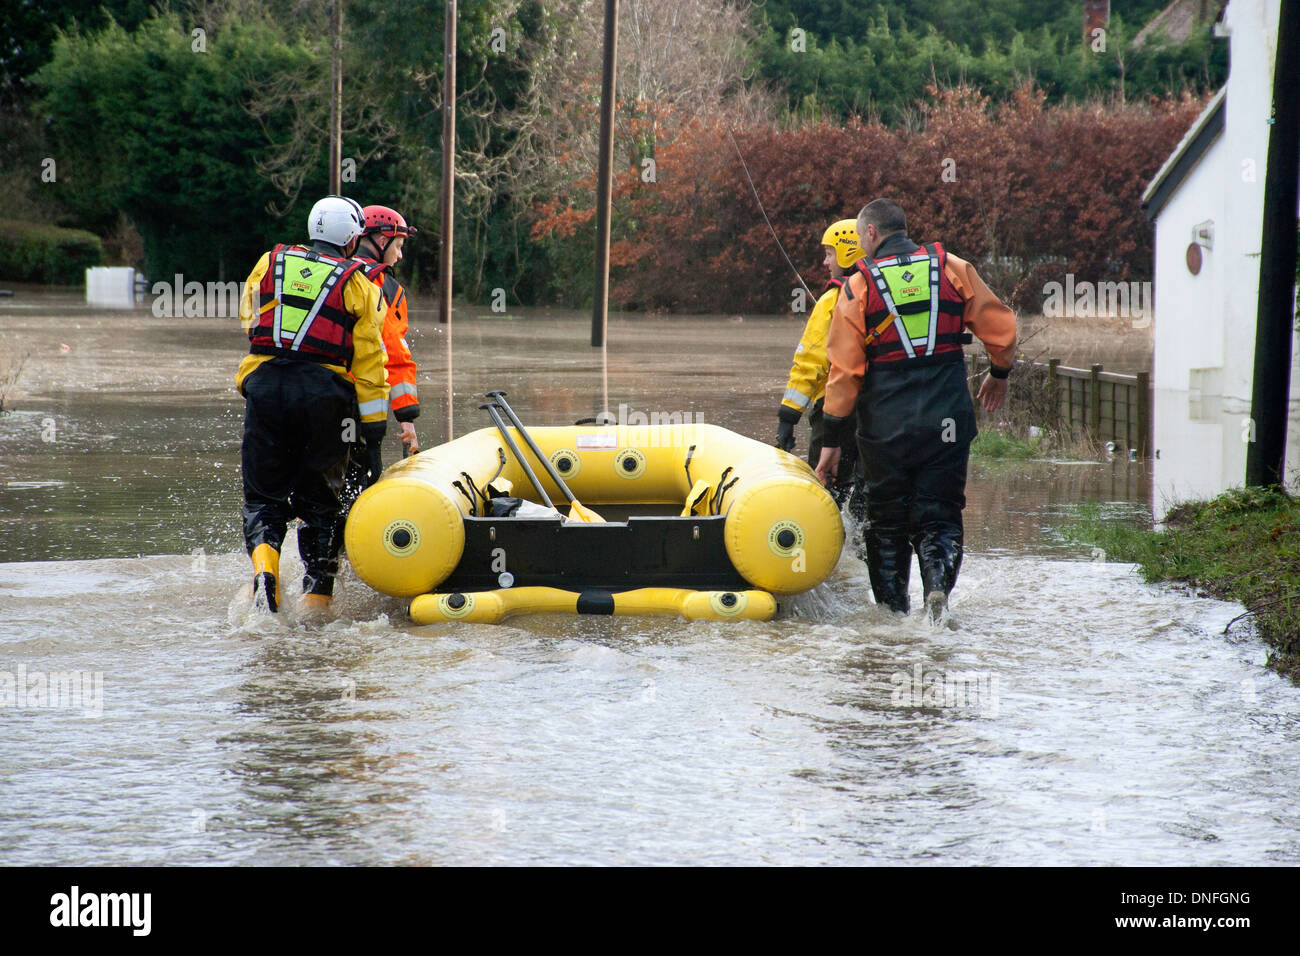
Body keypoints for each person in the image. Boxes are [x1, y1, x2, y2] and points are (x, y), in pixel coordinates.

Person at [815, 198, 1016, 623]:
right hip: (946, 420)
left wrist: (831, 441)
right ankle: (937, 591)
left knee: (886, 522)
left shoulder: (858, 286)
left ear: (870, 234)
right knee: (940, 513)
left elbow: (844, 372)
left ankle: (891, 618)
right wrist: (999, 373)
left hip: (886, 427)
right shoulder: (951, 268)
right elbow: (1001, 328)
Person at [237, 195, 389, 614]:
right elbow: (371, 363)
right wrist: (373, 436)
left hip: (266, 390)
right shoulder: (361, 284)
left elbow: (250, 319)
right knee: (321, 503)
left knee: (263, 498)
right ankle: (316, 600)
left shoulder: (270, 262)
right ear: (352, 238)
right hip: (326, 400)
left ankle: (265, 569)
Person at [336, 205, 421, 519]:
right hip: (360, 407)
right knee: (363, 481)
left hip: (313, 397)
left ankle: (316, 561)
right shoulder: (384, 286)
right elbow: (395, 357)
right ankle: (353, 558)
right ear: (382, 239)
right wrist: (407, 418)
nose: (398, 256)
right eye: (398, 246)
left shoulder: (332, 271)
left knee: (322, 487)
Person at [776, 219, 863, 510]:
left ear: (848, 253)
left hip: (833, 414)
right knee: (866, 493)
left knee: (824, 491)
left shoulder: (832, 299)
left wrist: (788, 418)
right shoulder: (884, 295)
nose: (825, 262)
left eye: (829, 253)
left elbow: (810, 363)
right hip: (881, 411)